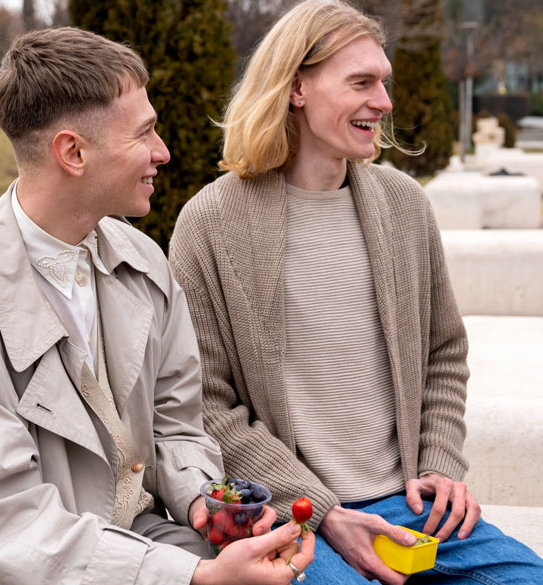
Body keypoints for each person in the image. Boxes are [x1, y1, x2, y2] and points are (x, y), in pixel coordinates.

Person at [0, 27, 313, 585]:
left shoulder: (143, 264)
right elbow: (11, 527)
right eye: (144, 133)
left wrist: (204, 503)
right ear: (73, 152)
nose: (162, 152)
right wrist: (195, 578)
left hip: (128, 539)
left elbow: (176, 421)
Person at [169, 1, 543, 584]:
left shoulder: (404, 206)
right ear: (297, 88)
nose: (385, 102)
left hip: (412, 511)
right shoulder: (210, 223)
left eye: (384, 83)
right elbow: (205, 404)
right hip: (292, 518)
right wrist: (323, 511)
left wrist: (441, 466)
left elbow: (444, 351)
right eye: (362, 82)